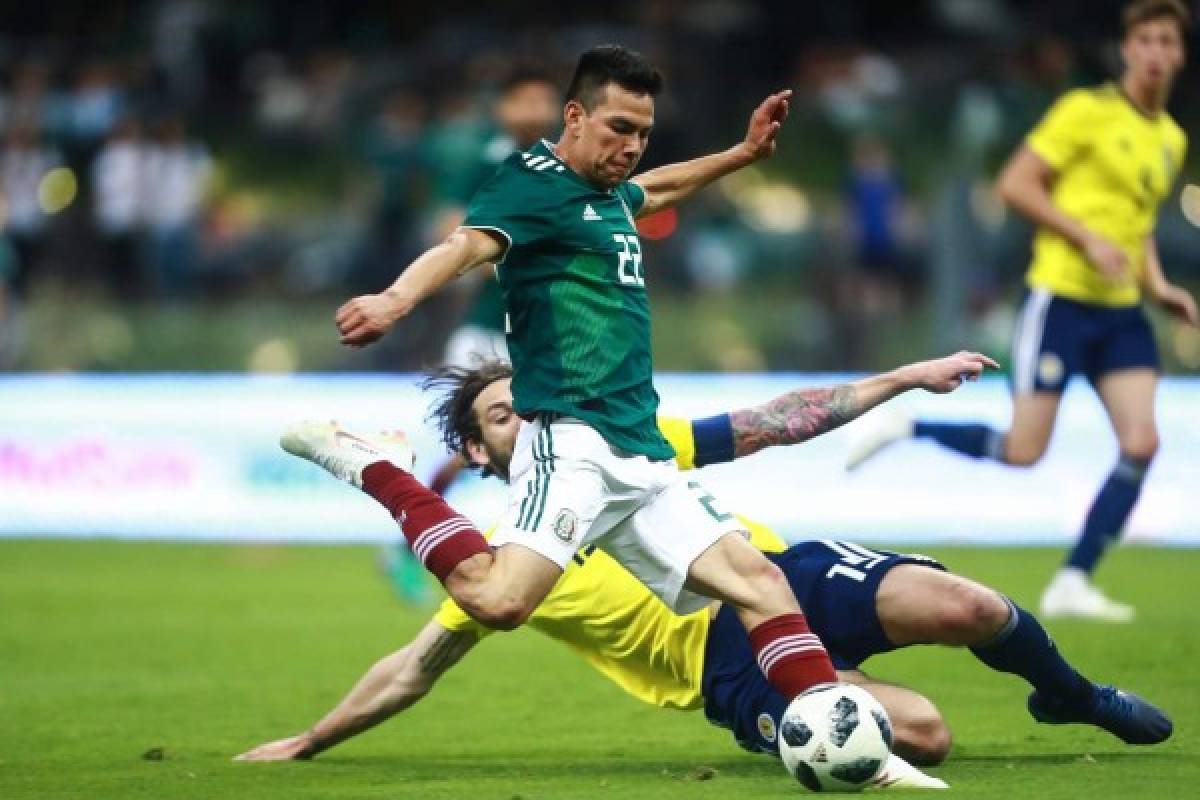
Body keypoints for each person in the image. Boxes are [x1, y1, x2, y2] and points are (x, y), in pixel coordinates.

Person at [239, 354, 1171, 782]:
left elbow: (776, 420)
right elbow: (414, 668)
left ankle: (1073, 695)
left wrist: (895, 381)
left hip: (782, 575)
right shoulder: (515, 554)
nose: (524, 420)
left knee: (969, 605)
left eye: (530, 402)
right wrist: (311, 742)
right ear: (481, 459)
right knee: (922, 737)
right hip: (720, 668)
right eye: (499, 418)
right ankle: (820, 722)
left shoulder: (631, 447)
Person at [328, 45, 843, 705]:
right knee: (500, 601)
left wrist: (742, 154)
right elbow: (461, 245)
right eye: (619, 129)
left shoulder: (603, 194)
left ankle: (836, 725)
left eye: (643, 134)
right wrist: (396, 300)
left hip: (638, 446)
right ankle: (379, 470)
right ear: (574, 116)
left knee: (761, 582)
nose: (632, 146)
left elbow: (657, 188)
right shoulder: (531, 182)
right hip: (573, 439)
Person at [846, 0, 1197, 622]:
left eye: (1167, 42)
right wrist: (1082, 235)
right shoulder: (1085, 112)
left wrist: (1159, 285)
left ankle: (1074, 579)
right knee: (1025, 449)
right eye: (1144, 39)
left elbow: (1137, 226)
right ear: (1127, 49)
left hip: (1120, 313)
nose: (1155, 53)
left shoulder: (1169, 138)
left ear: (1179, 54)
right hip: (1059, 300)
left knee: (1142, 442)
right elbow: (1017, 184)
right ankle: (908, 427)